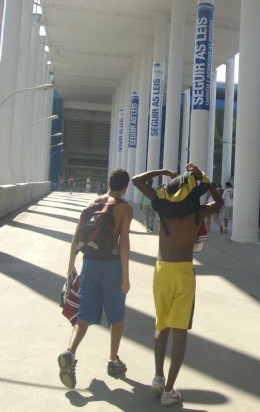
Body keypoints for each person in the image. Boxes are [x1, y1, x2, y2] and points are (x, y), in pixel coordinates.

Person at [132, 163, 223, 407]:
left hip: (161, 270)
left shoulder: (163, 205)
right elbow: (219, 203)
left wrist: (164, 173)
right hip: (184, 272)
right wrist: (205, 180)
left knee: (161, 326)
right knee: (180, 331)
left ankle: (158, 377)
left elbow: (137, 180)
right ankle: (169, 390)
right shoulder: (198, 212)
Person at [58, 168, 133, 390]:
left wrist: (71, 264)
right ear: (125, 187)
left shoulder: (93, 203)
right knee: (116, 316)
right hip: (111, 267)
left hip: (89, 263)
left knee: (85, 314)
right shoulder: (124, 208)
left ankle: (70, 353)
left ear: (109, 183)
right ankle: (113, 360)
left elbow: (77, 234)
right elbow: (124, 243)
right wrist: (126, 277)